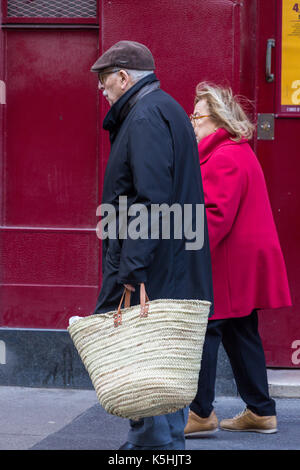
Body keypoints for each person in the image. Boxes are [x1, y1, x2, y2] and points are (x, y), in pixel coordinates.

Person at [90, 41, 214, 450]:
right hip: (169, 259)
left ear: (124, 77)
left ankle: (151, 449)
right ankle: (153, 444)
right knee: (160, 361)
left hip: (154, 264)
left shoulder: (143, 116)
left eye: (105, 81)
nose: (102, 91)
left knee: (145, 360)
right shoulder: (163, 108)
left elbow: (151, 200)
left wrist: (132, 269)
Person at [184, 82, 292, 437]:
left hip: (229, 262)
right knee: (240, 331)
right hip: (239, 261)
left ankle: (200, 414)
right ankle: (261, 411)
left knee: (207, 328)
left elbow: (216, 215)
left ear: (216, 120)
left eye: (197, 115)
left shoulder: (224, 155)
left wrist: (187, 253)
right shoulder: (234, 150)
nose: (192, 121)